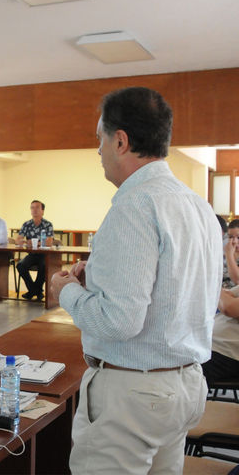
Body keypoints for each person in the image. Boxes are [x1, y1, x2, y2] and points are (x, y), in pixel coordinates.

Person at [50, 87, 222, 474]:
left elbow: (119, 322)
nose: (98, 151)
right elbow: (180, 290)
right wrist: (98, 275)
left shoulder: (134, 205)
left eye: (100, 139)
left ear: (121, 141)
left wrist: (68, 292)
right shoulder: (198, 205)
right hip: (184, 385)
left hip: (133, 395)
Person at [14, 200, 54, 300]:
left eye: (37, 207)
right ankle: (35, 291)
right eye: (32, 207)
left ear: (42, 211)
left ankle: (33, 291)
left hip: (44, 254)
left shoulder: (48, 224)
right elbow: (18, 240)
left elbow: (49, 242)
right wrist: (22, 241)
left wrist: (35, 243)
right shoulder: (26, 224)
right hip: (32, 254)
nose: (34, 210)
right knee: (20, 265)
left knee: (44, 266)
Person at [203, 285, 239, 384]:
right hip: (211, 345)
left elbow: (228, 308)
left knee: (185, 368)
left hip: (227, 354)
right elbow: (226, 298)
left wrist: (215, 286)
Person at [223, 218, 239, 288]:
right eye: (231, 237)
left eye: (238, 237)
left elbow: (237, 280)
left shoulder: (228, 252)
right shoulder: (224, 252)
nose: (234, 241)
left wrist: (229, 255)